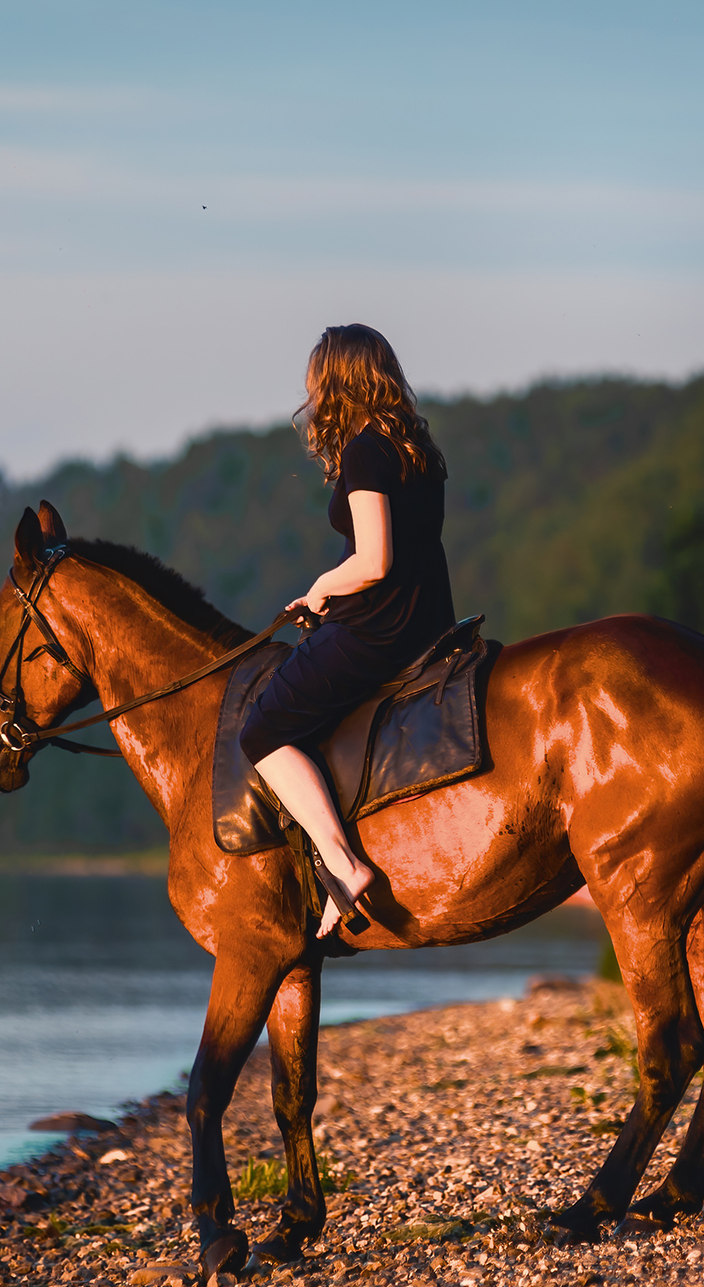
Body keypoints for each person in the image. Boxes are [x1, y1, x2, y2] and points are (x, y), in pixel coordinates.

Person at [240, 324, 455, 937]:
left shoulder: (367, 450)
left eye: (317, 381)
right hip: (425, 615)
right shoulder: (417, 443)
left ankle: (341, 863)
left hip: (383, 628)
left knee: (263, 730)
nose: (311, 396)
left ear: (336, 380)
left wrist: (321, 590)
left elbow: (375, 560)